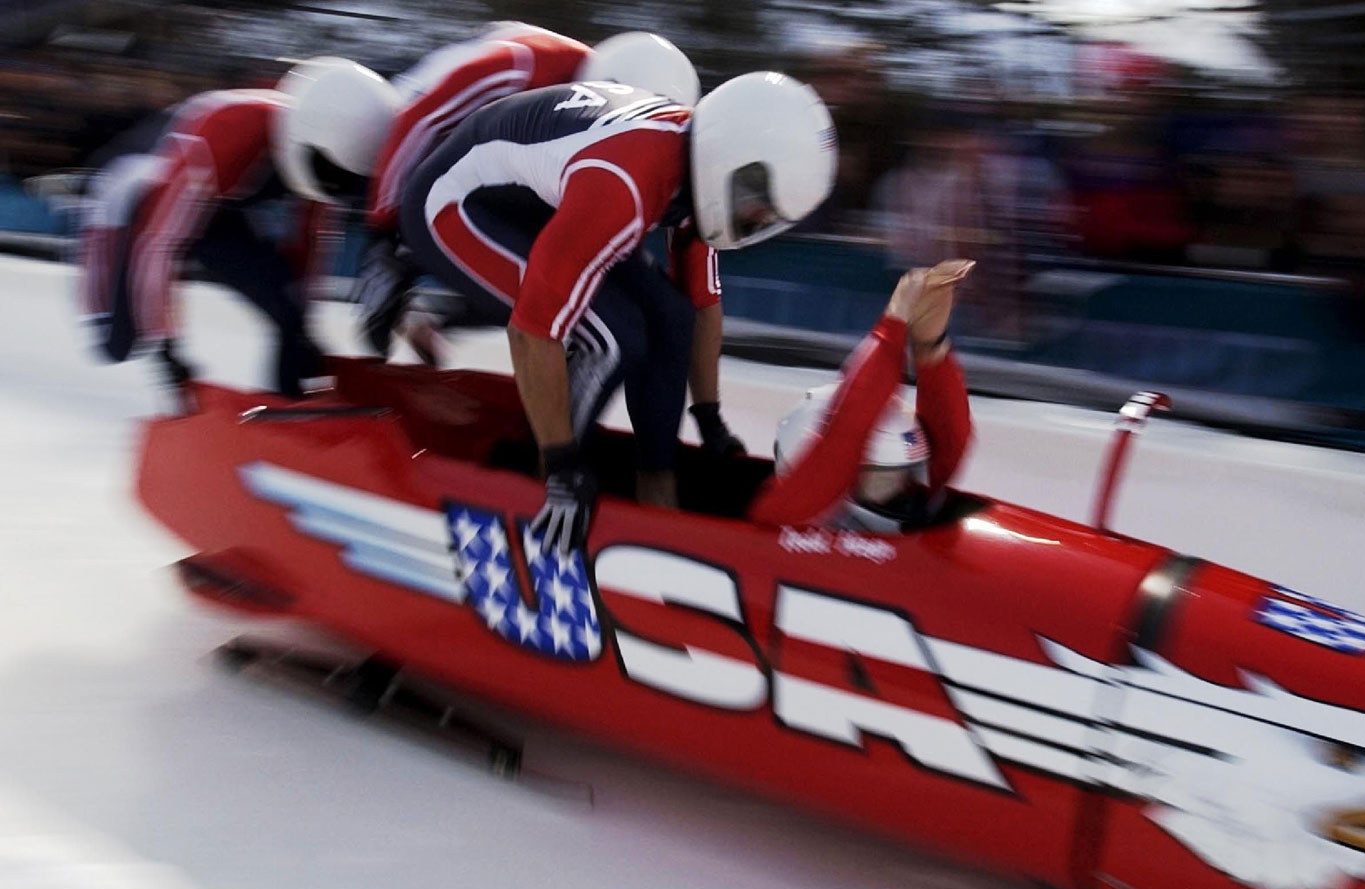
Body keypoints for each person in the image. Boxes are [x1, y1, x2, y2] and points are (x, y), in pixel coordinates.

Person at [397, 72, 837, 556]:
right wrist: (563, 465)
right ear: (730, 158)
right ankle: (541, 487)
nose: (757, 219)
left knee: (668, 318)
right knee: (613, 338)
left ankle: (656, 498)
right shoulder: (624, 184)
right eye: (759, 202)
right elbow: (532, 332)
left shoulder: (695, 164)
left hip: (538, 198)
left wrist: (709, 418)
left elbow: (699, 307)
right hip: (456, 203)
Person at [354, 25, 701, 361]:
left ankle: (436, 317)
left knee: (545, 274)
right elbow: (420, 120)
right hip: (407, 145)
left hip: (488, 177)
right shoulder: (524, 63)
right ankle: (396, 266)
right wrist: (381, 231)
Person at [78, 57, 399, 398]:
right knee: (120, 343)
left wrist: (301, 326)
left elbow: (310, 241)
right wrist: (166, 345)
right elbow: (158, 244)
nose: (333, 184)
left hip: (215, 210)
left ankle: (290, 411)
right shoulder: (224, 134)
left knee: (288, 310)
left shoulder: (321, 156)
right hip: (136, 201)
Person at [752, 259, 974, 532]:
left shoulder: (906, 512)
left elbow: (949, 444)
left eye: (905, 477)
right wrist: (893, 322)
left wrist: (931, 348)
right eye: (886, 481)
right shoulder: (781, 514)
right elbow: (846, 431)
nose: (904, 492)